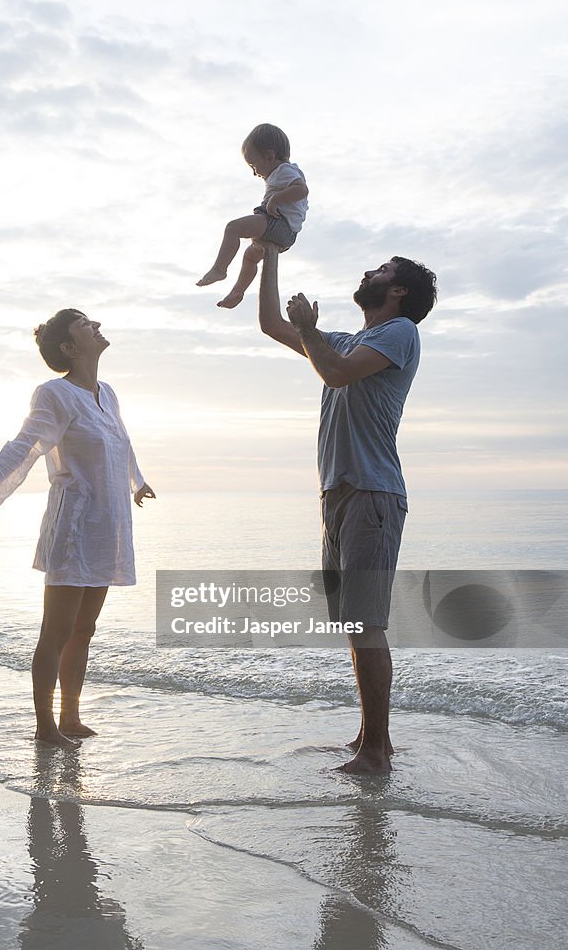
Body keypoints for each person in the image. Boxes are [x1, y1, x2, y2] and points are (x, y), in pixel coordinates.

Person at [0, 309, 155, 749]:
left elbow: (121, 441)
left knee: (84, 629)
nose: (97, 325)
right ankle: (45, 727)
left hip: (108, 525)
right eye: (84, 325)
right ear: (69, 348)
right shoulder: (55, 394)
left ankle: (70, 717)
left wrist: (138, 481)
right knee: (56, 630)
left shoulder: (107, 393)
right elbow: (23, 447)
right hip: (75, 527)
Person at [258, 245, 437, 774]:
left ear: (398, 290)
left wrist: (311, 331)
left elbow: (335, 373)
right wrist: (269, 252)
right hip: (338, 494)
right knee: (354, 624)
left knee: (366, 624)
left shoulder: (399, 332)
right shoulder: (346, 339)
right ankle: (367, 738)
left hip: (372, 492)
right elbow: (271, 323)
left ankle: (378, 750)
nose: (370, 272)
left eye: (382, 271)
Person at [196, 123, 308, 308]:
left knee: (233, 228)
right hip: (285, 233)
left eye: (254, 165)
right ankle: (237, 292)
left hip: (278, 225)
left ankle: (219, 269)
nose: (254, 173)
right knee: (250, 257)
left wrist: (276, 200)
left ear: (270, 156)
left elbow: (301, 190)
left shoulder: (284, 171)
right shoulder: (282, 172)